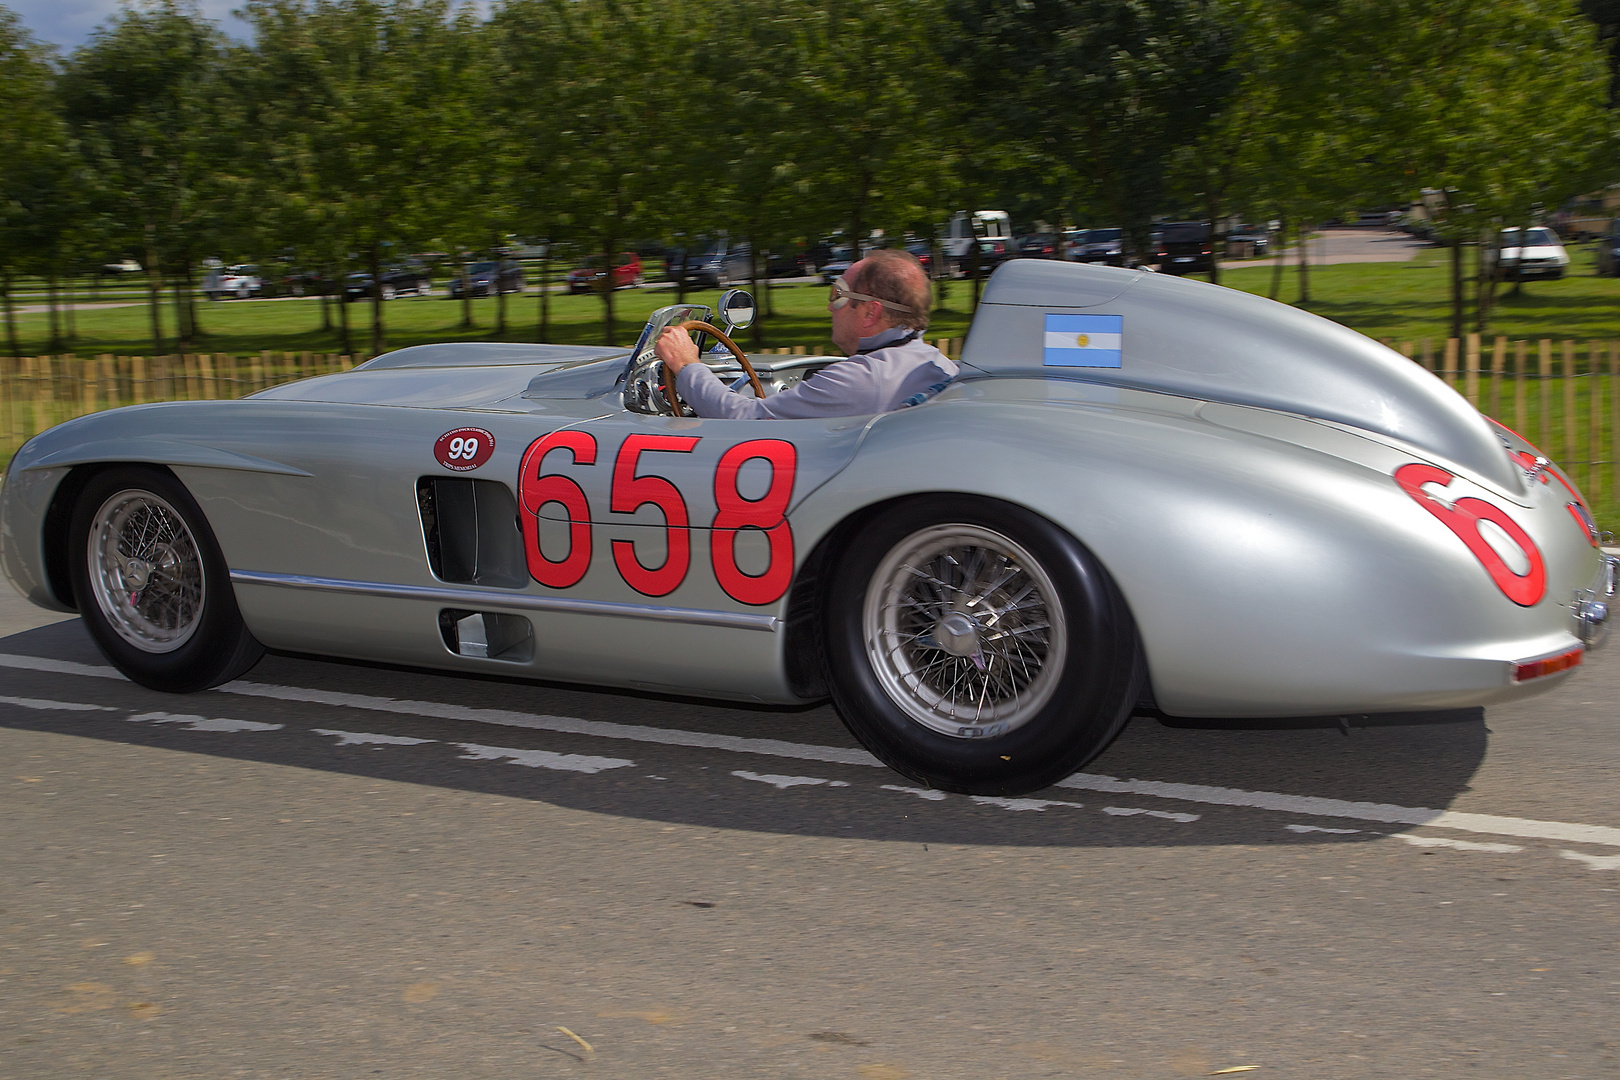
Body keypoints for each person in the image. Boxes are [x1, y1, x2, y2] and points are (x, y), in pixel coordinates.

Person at [653, 248, 957, 419]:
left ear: (871, 312)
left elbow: (746, 420)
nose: (829, 307)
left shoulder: (862, 379)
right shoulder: (936, 363)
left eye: (838, 294)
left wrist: (686, 365)